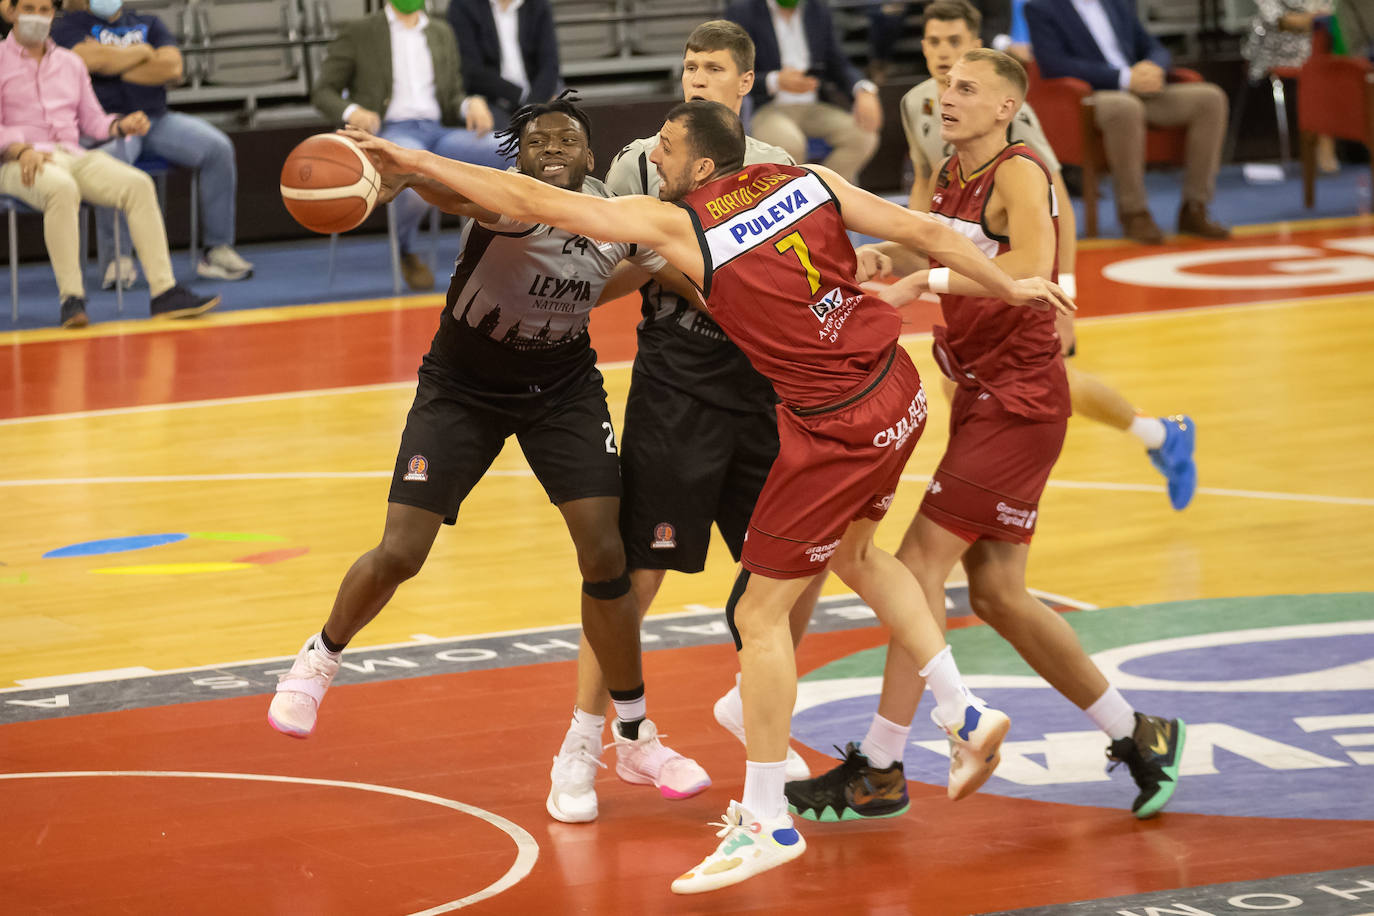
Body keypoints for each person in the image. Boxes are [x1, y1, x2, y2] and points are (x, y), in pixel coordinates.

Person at [352, 97, 1076, 894]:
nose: (651, 156)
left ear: (701, 163)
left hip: (834, 424)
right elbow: (927, 233)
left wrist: (414, 161)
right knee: (862, 556)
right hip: (894, 390)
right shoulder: (809, 179)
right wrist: (1011, 287)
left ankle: (766, 822)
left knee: (758, 618)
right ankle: (962, 710)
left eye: (664, 147)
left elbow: (532, 199)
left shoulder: (679, 226)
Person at [269, 94, 714, 818]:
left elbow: (673, 271)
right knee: (402, 551)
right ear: (518, 159)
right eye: (537, 142)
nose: (552, 148)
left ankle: (634, 734)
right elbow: (451, 192)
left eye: (566, 139)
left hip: (562, 389)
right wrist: (404, 174)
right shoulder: (507, 202)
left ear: (591, 156)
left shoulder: (618, 217)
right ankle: (319, 658)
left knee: (606, 554)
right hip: (462, 389)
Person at [786, 49, 1186, 828]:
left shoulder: (1020, 169)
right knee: (999, 594)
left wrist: (924, 282)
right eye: (946, 86)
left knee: (916, 567)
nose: (948, 97)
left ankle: (881, 767)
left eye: (967, 89)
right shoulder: (949, 171)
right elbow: (935, 242)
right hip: (980, 392)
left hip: (1021, 399)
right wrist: (886, 257)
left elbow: (1029, 266)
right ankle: (1141, 734)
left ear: (1006, 107)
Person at [544, 19, 829, 826]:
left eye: (712, 68)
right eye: (689, 66)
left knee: (796, 564)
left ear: (746, 82)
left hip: (761, 386)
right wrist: (669, 270)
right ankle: (581, 742)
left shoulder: (782, 168)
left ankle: (751, 703)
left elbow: (793, 277)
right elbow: (603, 268)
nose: (697, 79)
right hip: (676, 387)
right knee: (634, 576)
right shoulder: (643, 161)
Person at [899, 0, 1196, 510]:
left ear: (976, 46)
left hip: (1015, 276)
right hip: (970, 274)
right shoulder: (916, 104)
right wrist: (911, 250)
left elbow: (1055, 199)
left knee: (1046, 383)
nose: (943, 53)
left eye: (955, 42)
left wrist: (1064, 292)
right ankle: (1157, 436)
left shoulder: (1007, 113)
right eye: (933, 41)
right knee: (967, 381)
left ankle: (1158, 435)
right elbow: (925, 184)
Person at [0, 0, 217, 328]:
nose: (37, 17)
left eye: (44, 10)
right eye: (28, 8)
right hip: (17, 161)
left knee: (138, 184)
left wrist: (120, 125)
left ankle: (164, 292)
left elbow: (93, 120)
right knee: (62, 188)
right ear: (11, 12)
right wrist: (19, 150)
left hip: (71, 154)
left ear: (53, 15)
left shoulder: (71, 63)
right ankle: (72, 299)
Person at [53, 0, 254, 289]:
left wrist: (111, 65)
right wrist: (142, 53)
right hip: (111, 125)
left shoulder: (149, 22)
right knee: (109, 165)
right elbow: (85, 60)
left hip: (157, 121)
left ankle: (217, 251)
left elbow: (172, 68)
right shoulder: (70, 25)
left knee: (217, 148)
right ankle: (118, 260)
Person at [311, 0, 506, 291]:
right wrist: (353, 111)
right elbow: (322, 92)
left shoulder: (441, 31)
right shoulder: (360, 31)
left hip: (439, 132)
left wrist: (470, 104)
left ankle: (509, 243)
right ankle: (405, 249)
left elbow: (452, 97)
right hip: (391, 132)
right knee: (412, 179)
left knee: (509, 148)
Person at [1025, 0, 1231, 243]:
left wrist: (1153, 68)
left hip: (1141, 89)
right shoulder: (1042, 8)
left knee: (1210, 99)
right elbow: (1054, 65)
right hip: (1091, 95)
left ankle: (1195, 207)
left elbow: (1152, 46)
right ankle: (1134, 213)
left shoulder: (1117, 3)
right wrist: (1123, 78)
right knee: (1126, 108)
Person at [724, 0, 883, 184]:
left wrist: (863, 89)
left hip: (814, 105)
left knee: (863, 136)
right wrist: (776, 80)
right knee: (789, 144)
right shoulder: (743, 11)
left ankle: (824, 191)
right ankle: (804, 195)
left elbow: (838, 63)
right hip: (769, 107)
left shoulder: (817, 9)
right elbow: (733, 72)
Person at [1242, 0, 1339, 172]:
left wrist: (1312, 21)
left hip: (1316, 45)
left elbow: (1335, 15)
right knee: (1317, 71)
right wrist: (1315, 20)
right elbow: (1283, 20)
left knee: (1345, 67)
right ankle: (1322, 145)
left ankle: (1338, 143)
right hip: (1278, 49)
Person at [446, 0, 560, 131]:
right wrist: (522, 97)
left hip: (537, 93)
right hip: (492, 98)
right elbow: (471, 70)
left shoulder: (538, 5)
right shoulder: (463, 5)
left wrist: (536, 103)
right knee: (510, 138)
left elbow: (550, 64)